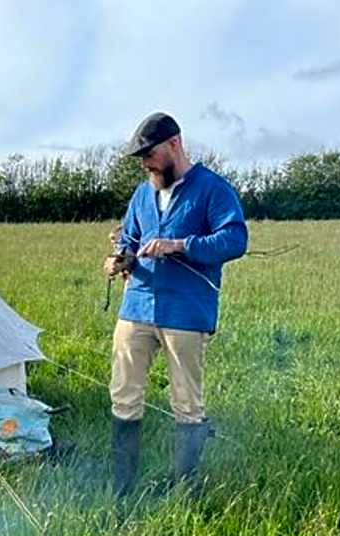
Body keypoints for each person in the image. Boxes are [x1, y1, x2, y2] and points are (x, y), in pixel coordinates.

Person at [102, 112, 248, 498]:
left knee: (186, 403)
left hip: (186, 312)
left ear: (174, 144)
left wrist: (180, 244)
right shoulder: (142, 194)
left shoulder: (213, 189)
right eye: (140, 158)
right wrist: (119, 259)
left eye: (149, 154)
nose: (145, 163)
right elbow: (129, 239)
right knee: (124, 396)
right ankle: (122, 491)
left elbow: (235, 240)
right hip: (136, 308)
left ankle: (186, 489)